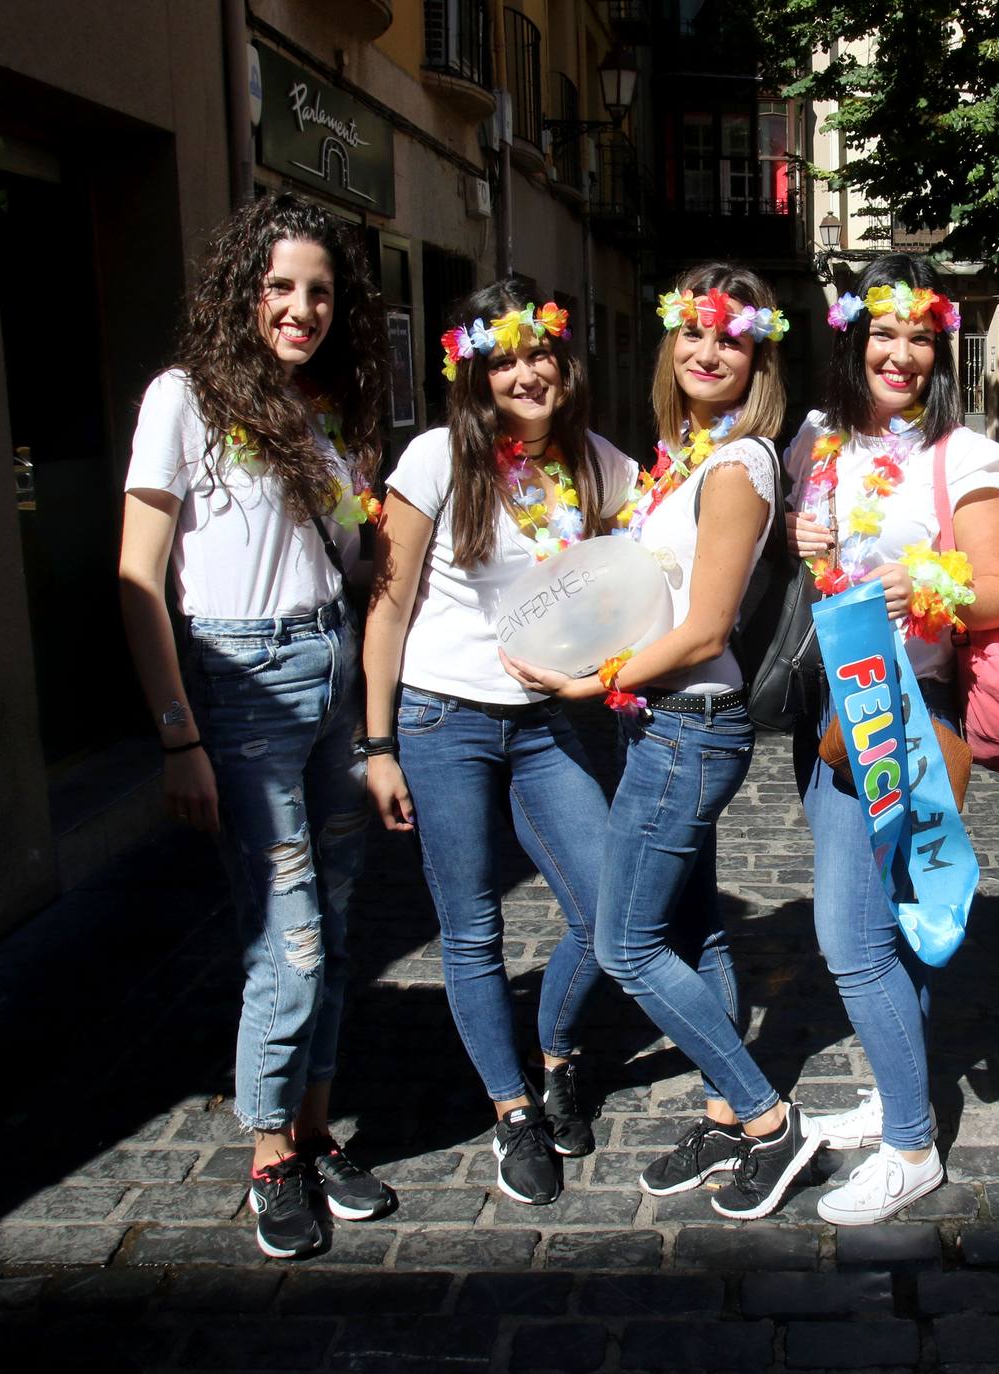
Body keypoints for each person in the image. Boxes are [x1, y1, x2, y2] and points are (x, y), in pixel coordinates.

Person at [503, 264, 820, 1220]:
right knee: (696, 929)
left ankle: (769, 1120)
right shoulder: (687, 459)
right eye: (691, 333)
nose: (706, 351)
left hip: (692, 727)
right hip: (668, 726)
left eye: (728, 337)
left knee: (626, 941)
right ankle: (727, 1110)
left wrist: (586, 681)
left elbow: (703, 632)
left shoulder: (736, 466)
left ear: (757, 353)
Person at [118, 191, 395, 1259]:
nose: (300, 307)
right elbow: (139, 576)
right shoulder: (181, 399)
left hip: (327, 671)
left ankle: (316, 1129)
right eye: (280, 287)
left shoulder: (321, 411)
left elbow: (361, 566)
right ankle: (269, 1152)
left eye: (319, 291)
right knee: (287, 937)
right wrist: (176, 733)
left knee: (334, 912)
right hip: (242, 684)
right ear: (243, 292)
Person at [362, 280, 636, 1208]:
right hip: (442, 719)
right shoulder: (437, 458)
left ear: (565, 362)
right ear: (475, 374)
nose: (525, 375)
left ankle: (555, 1053)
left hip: (547, 722)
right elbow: (387, 606)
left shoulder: (601, 466)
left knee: (609, 909)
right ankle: (510, 1109)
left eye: (539, 354)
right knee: (471, 926)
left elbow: (647, 572)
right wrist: (376, 744)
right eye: (503, 360)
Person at [784, 255, 999, 1224]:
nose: (903, 353)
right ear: (853, 339)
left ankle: (911, 1147)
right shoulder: (817, 443)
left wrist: (927, 587)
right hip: (827, 709)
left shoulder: (961, 456)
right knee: (886, 927)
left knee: (851, 939)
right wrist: (810, 551)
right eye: (885, 332)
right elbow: (814, 584)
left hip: (909, 710)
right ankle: (901, 1092)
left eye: (920, 335)